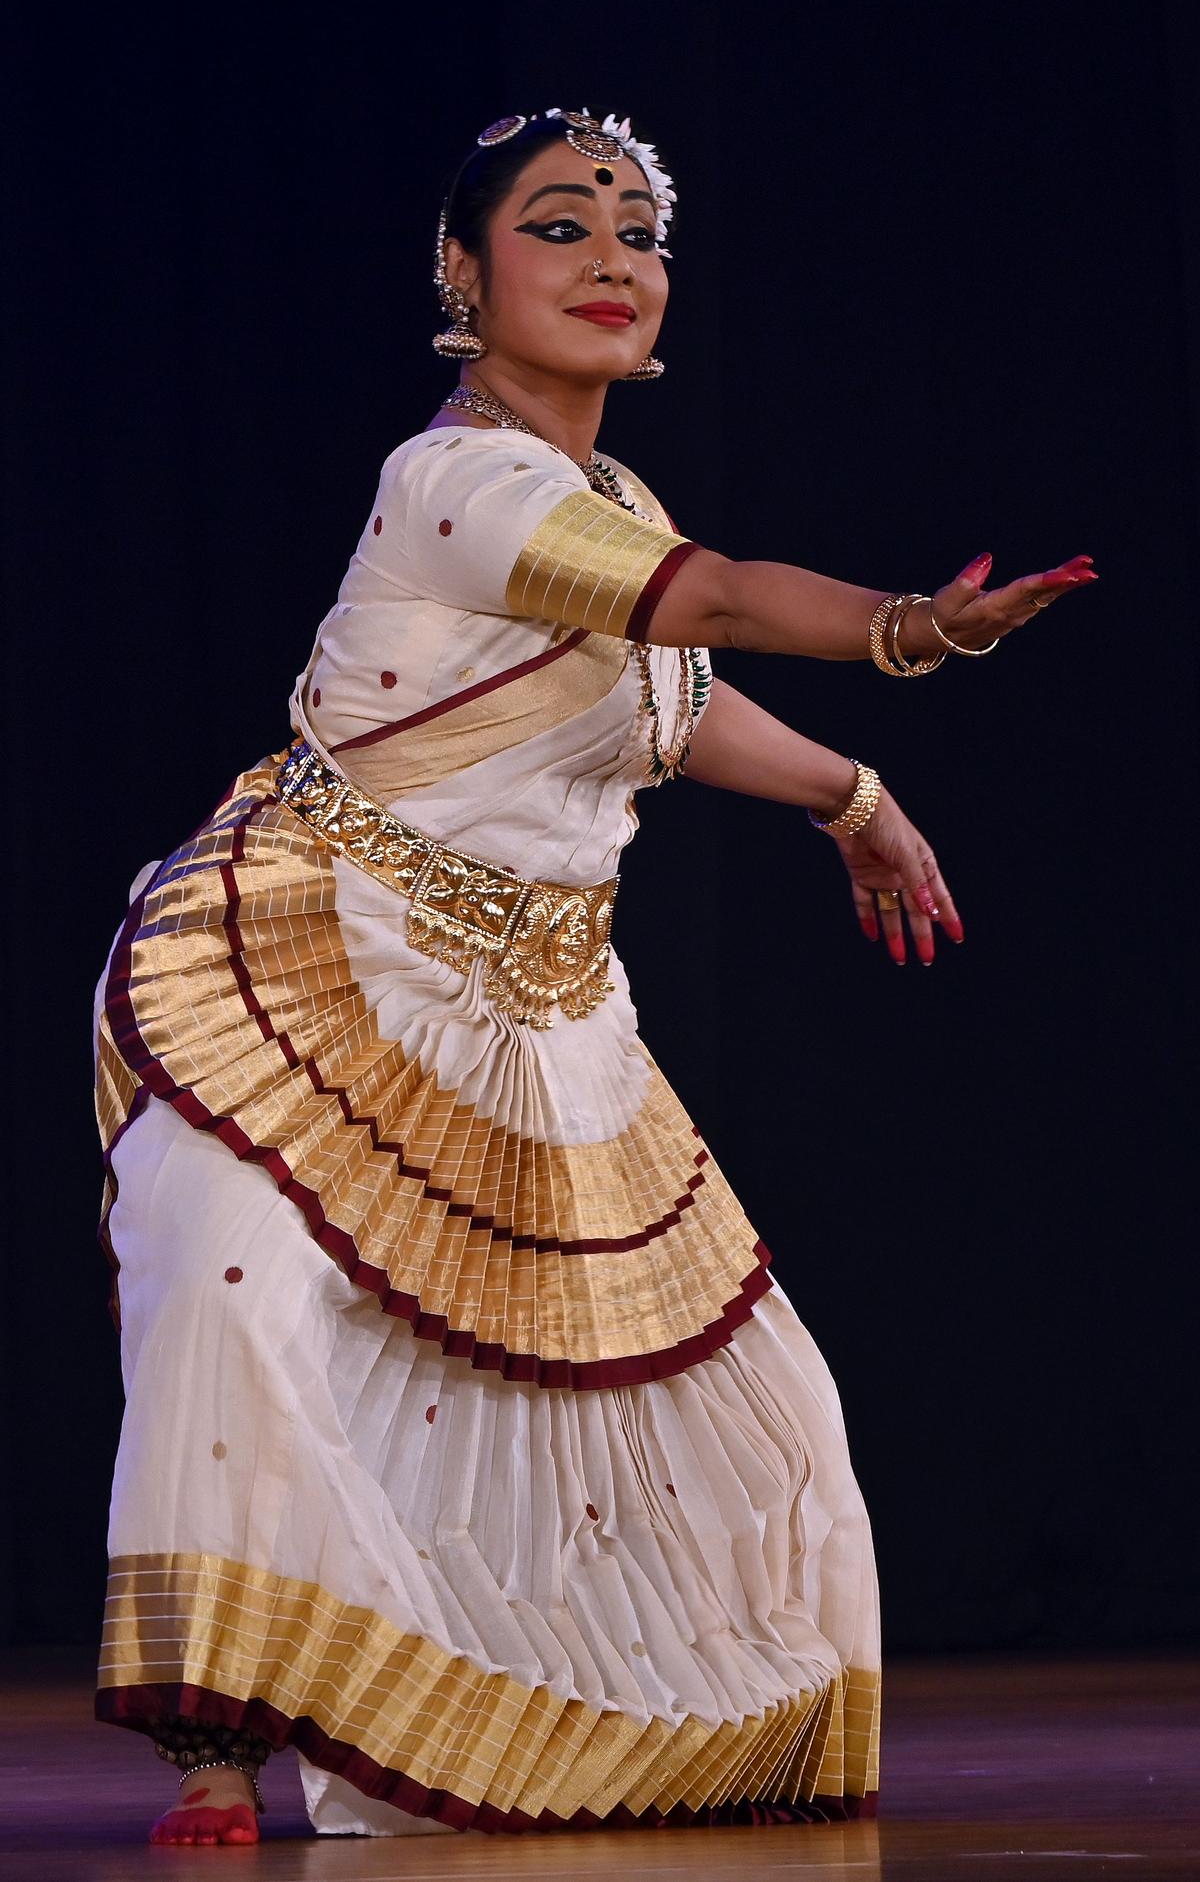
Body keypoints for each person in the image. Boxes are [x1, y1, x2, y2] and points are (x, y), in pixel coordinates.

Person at [91, 107, 1097, 1849]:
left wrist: (853, 796)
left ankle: (581, 1735)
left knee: (748, 1393)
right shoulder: (460, 479)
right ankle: (214, 1750)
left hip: (533, 1014)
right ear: (464, 279)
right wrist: (907, 629)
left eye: (641, 234)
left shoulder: (604, 501)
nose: (617, 261)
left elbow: (671, 700)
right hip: (315, 964)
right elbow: (703, 605)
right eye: (563, 227)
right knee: (242, 1309)